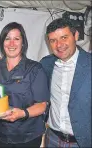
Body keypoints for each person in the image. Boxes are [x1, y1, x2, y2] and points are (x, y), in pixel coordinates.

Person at [0, 22, 50, 147]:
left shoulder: (35, 69)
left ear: (23, 43)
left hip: (27, 136)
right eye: (7, 39)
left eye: (16, 39)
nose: (12, 44)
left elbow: (42, 105)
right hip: (0, 135)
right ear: (2, 43)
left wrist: (22, 113)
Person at [40, 18, 91, 147]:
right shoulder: (46, 64)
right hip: (52, 138)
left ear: (76, 35)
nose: (59, 45)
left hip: (82, 142)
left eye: (64, 37)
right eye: (53, 40)